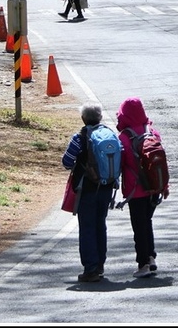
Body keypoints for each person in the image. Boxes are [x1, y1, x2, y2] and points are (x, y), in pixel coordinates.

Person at [62, 101, 119, 282]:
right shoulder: (110, 134)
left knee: (87, 227)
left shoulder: (80, 138)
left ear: (83, 118)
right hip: (106, 187)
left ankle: (90, 268)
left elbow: (67, 162)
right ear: (100, 117)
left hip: (86, 190)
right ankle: (100, 264)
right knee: (100, 225)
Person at [115, 97, 166, 279]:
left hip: (135, 190)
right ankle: (151, 256)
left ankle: (143, 263)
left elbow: (120, 164)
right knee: (147, 221)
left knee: (139, 226)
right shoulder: (152, 132)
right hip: (154, 187)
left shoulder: (124, 137)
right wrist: (163, 185)